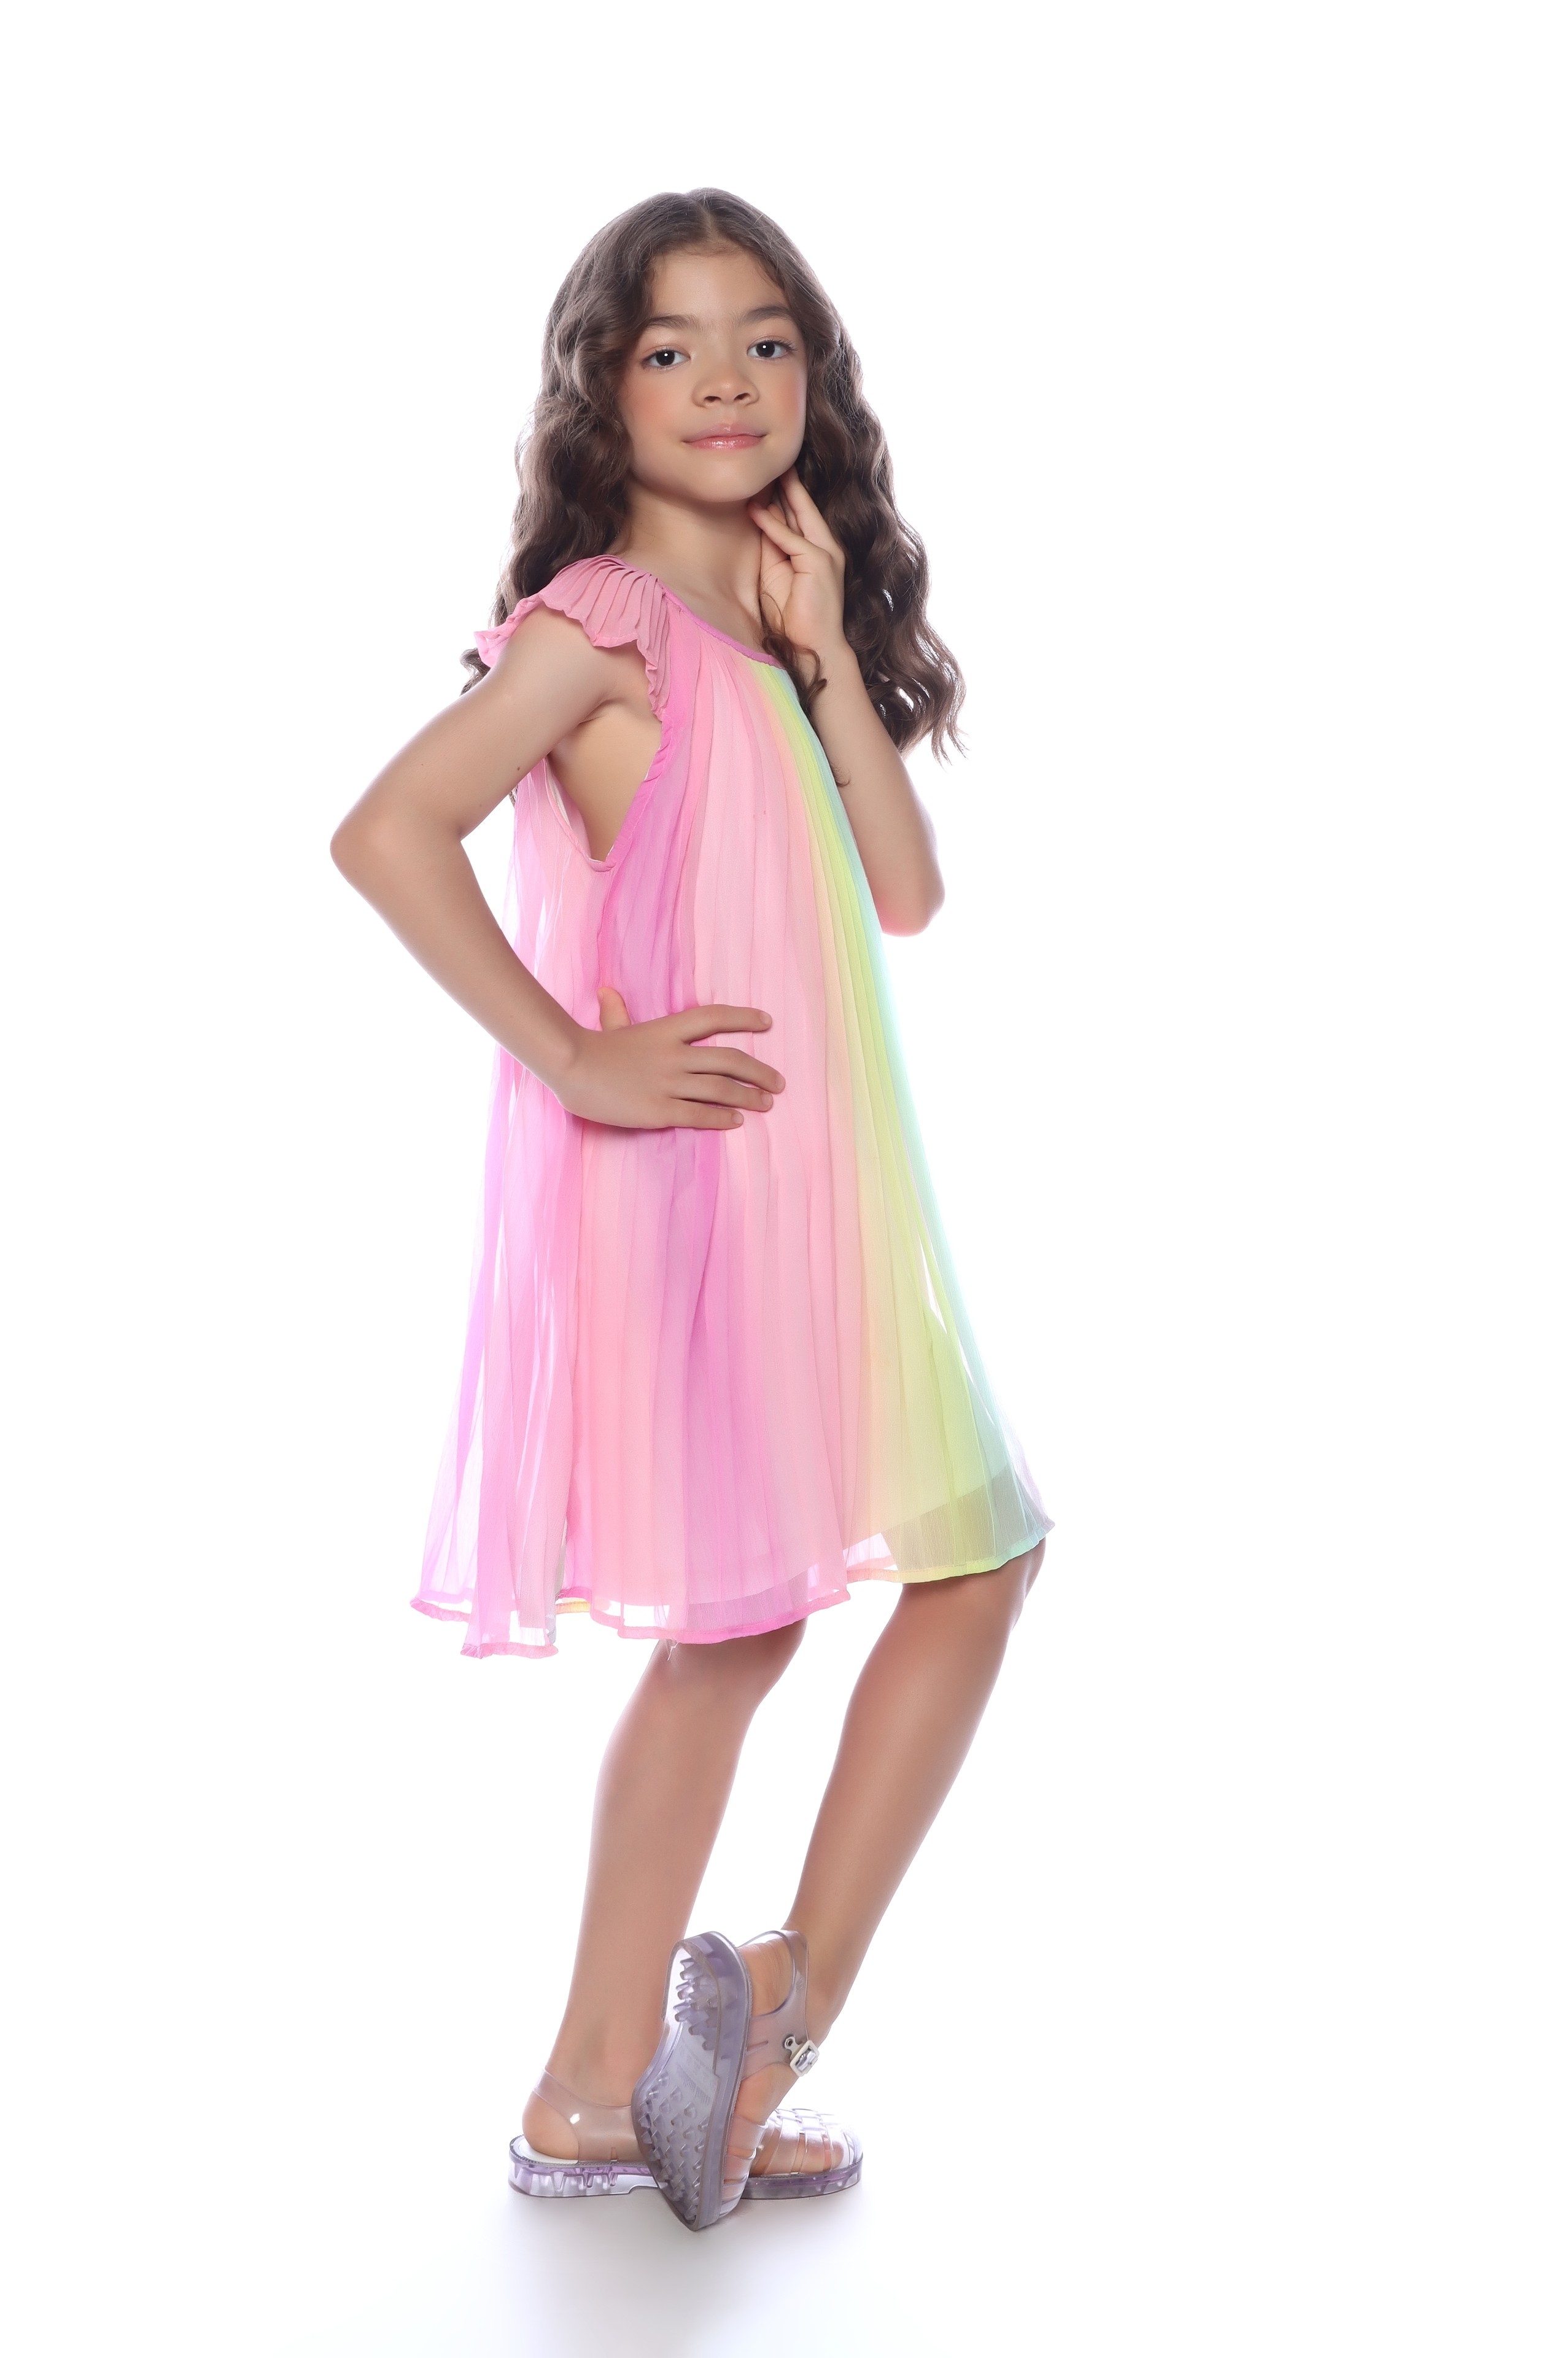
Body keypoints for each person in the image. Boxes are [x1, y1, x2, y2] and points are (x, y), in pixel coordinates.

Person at [330, 189, 1051, 2232]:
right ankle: (712, 2031)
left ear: (813, 374)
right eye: (670, 347)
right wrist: (573, 1056)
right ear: (603, 390)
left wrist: (826, 660)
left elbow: (903, 896)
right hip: (701, 1202)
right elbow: (385, 831)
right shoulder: (603, 619)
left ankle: (642, 2066)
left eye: (764, 340)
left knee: (854, 1601)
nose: (725, 380)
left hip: (826, 1196)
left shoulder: (762, 623)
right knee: (827, 1607)